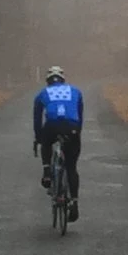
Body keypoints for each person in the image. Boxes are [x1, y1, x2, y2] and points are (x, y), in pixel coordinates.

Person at [32, 68, 83, 221]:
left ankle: (47, 172)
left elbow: (37, 120)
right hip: (72, 128)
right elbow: (80, 116)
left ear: (48, 81)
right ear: (63, 80)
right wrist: (76, 133)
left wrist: (39, 138)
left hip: (52, 126)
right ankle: (74, 203)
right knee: (71, 167)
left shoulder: (42, 93)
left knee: (46, 142)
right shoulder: (76, 91)